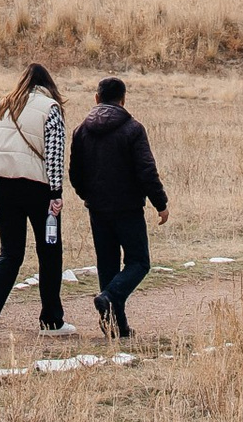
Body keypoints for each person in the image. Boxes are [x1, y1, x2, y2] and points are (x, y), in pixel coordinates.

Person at [0, 61, 71, 341]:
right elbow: (54, 154)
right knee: (49, 251)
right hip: (37, 187)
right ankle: (51, 319)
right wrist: (56, 193)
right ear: (48, 84)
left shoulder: (3, 105)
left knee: (10, 252)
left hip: (3, 185)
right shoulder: (50, 108)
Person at [68, 76, 169, 341]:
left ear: (97, 98)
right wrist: (160, 203)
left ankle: (116, 327)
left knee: (108, 266)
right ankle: (109, 298)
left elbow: (75, 174)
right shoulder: (133, 129)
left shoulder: (80, 130)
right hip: (128, 208)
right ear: (123, 100)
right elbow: (146, 170)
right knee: (139, 262)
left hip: (97, 209)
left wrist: (87, 196)